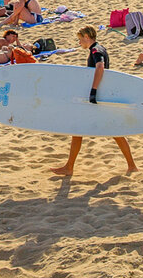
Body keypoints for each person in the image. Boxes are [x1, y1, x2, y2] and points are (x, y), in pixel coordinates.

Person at [51, 26, 137, 176]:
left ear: (86, 37)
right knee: (107, 131)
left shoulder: (96, 50)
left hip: (97, 98)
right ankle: (131, 165)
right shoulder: (99, 48)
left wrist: (93, 90)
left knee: (81, 130)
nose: (79, 43)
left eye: (80, 39)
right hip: (101, 97)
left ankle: (69, 167)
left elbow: (100, 67)